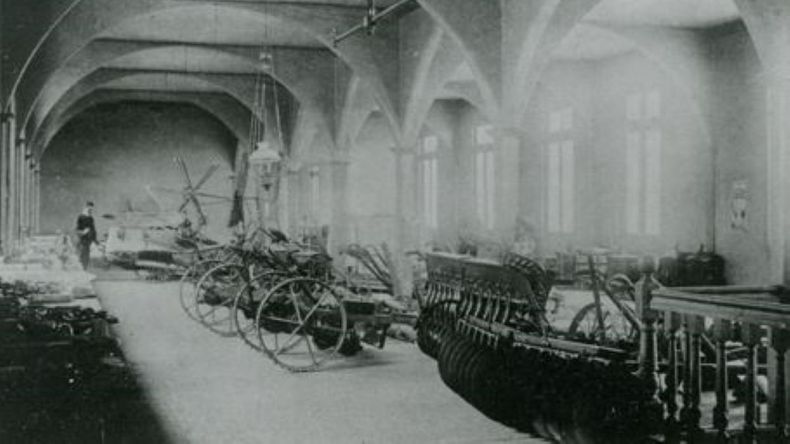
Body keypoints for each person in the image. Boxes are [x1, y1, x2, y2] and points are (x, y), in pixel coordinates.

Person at [76, 201, 98, 269]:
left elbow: (93, 229)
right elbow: (78, 229)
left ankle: (84, 268)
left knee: (87, 255)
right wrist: (83, 232)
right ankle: (81, 268)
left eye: (91, 209)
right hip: (83, 239)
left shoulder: (91, 218)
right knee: (83, 254)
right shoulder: (81, 217)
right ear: (86, 207)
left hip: (89, 239)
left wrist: (95, 239)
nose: (90, 211)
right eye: (89, 209)